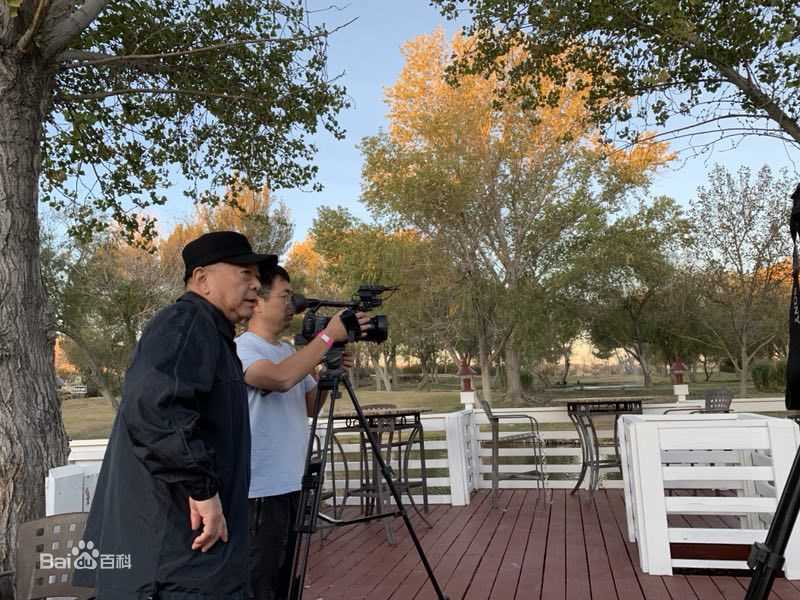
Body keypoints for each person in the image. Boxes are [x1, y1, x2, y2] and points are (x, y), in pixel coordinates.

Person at [74, 231, 275, 600]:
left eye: (258, 277)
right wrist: (203, 489)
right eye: (245, 273)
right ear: (202, 279)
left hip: (191, 557)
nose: (255, 285)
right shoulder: (185, 323)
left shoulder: (212, 333)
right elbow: (156, 407)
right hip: (173, 560)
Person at [235, 264, 369, 600]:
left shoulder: (286, 352)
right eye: (284, 296)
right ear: (258, 301)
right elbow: (279, 379)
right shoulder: (242, 349)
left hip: (292, 482)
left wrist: (329, 373)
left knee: (285, 580)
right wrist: (327, 337)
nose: (291, 304)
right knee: (258, 581)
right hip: (259, 489)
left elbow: (310, 406)